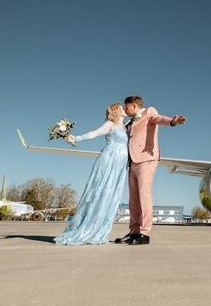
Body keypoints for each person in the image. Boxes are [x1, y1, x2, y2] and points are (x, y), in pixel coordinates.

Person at [115, 96, 186, 246]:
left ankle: (144, 233)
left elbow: (159, 119)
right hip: (132, 161)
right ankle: (134, 232)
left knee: (144, 196)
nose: (125, 109)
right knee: (133, 200)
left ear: (134, 106)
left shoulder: (148, 112)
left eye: (126, 107)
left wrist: (172, 121)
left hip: (146, 159)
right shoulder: (130, 122)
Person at [54, 103, 128, 245]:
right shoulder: (110, 124)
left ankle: (100, 230)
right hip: (110, 159)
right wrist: (76, 138)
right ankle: (87, 229)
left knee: (112, 195)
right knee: (101, 190)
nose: (124, 109)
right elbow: (94, 134)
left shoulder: (125, 127)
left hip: (121, 164)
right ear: (116, 111)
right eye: (121, 107)